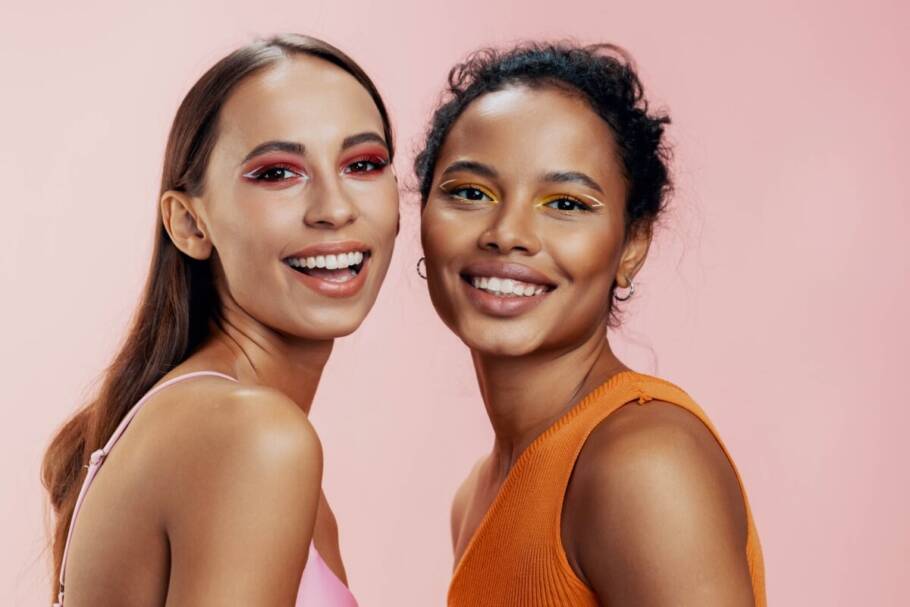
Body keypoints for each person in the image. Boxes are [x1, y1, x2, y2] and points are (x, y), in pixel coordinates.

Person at [41, 33, 398, 606]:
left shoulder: (205, 423)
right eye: (277, 173)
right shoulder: (253, 437)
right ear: (189, 224)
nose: (335, 209)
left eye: (363, 164)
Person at [415, 42, 766, 606]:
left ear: (632, 245)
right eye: (471, 193)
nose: (507, 233)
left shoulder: (643, 461)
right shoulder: (476, 495)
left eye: (567, 204)